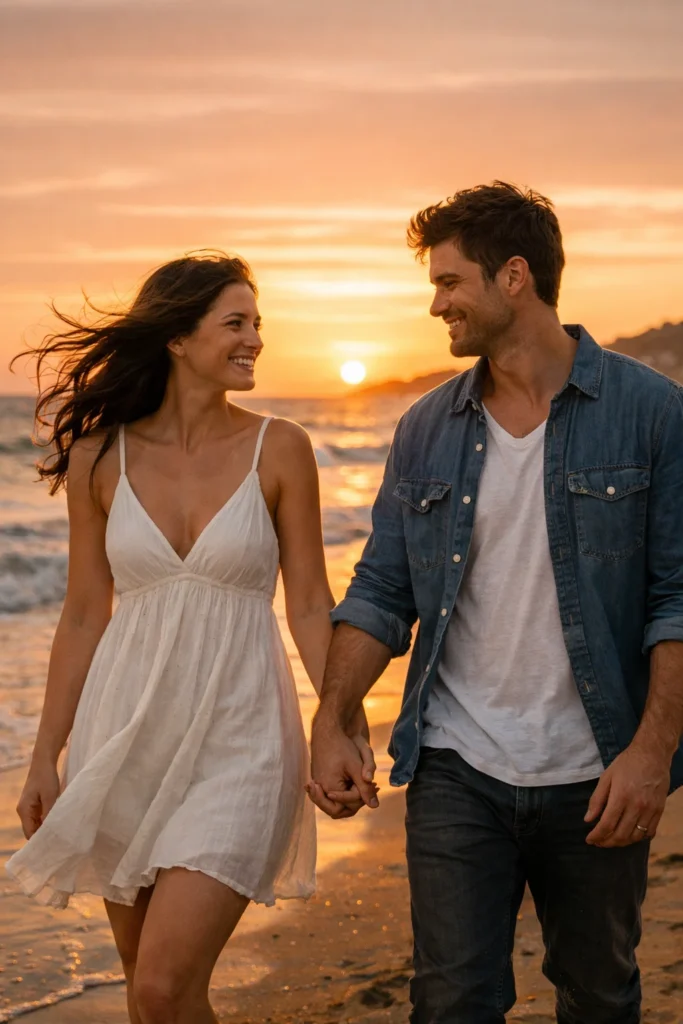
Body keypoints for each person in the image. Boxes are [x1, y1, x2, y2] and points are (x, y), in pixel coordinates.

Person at [307, 182, 683, 1023]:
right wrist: (332, 718)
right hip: (455, 768)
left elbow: (675, 599)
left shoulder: (650, 414)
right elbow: (382, 589)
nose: (433, 302)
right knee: (451, 1002)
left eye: (448, 282)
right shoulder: (424, 429)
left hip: (598, 772)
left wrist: (651, 755)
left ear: (513, 277)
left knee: (597, 995)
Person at [6, 251, 373, 1024]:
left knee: (164, 989)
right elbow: (82, 614)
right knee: (150, 991)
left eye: (257, 323)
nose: (254, 339)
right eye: (234, 323)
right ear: (177, 337)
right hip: (125, 733)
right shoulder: (99, 456)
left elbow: (309, 601)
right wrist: (46, 753)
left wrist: (337, 723)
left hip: (240, 736)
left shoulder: (280, 447)